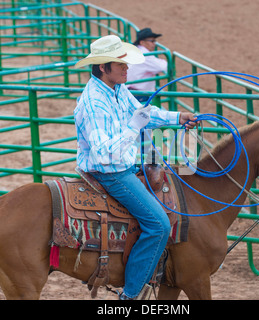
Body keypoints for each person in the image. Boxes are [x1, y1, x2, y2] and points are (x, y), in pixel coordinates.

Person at [73, 35, 196, 300]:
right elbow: (105, 154)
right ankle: (129, 296)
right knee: (160, 225)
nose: (127, 68)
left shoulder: (116, 89)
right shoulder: (95, 102)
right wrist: (133, 127)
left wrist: (178, 118)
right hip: (110, 173)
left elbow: (143, 113)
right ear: (103, 67)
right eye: (121, 64)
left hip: (124, 165)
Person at [126, 28, 168, 102]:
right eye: (151, 41)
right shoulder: (145, 55)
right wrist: (163, 61)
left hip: (131, 92)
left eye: (154, 41)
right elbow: (162, 66)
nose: (154, 44)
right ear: (142, 42)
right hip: (138, 95)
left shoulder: (137, 51)